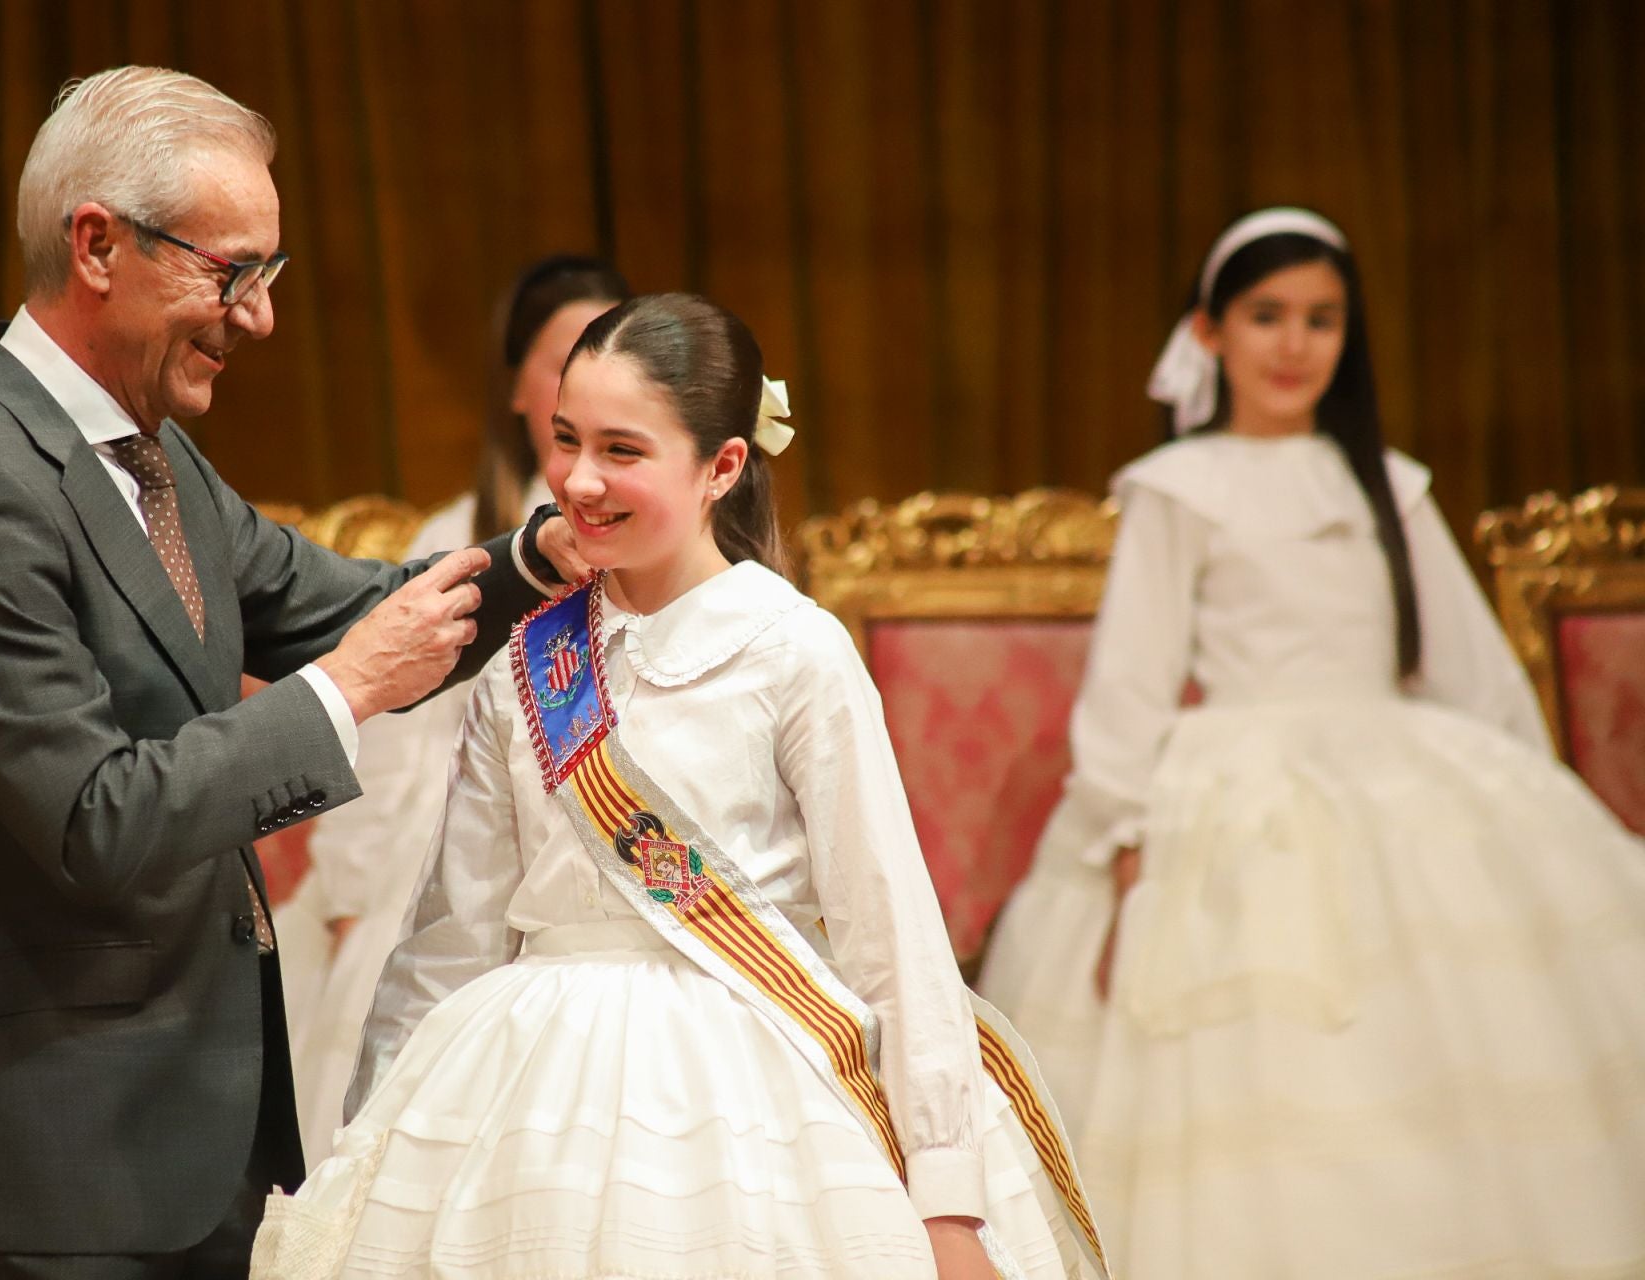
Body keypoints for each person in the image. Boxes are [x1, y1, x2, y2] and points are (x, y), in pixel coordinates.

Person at [0, 66, 576, 1277]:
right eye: (231, 273)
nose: (259, 317)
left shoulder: (154, 454)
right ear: (97, 245)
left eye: (268, 276)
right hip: (63, 1173)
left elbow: (343, 599)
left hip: (205, 1147)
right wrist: (346, 690)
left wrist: (545, 554)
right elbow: (97, 816)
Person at [252, 294, 1110, 1280]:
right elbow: (455, 929)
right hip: (528, 1095)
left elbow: (888, 928)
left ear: (723, 466)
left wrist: (949, 1199)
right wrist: (374, 1149)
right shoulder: (531, 652)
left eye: (623, 449)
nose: (579, 479)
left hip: (752, 1085)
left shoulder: (791, 649)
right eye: (566, 439)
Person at [975, 207, 1645, 1278]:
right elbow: (1132, 683)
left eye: (1322, 319)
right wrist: (1123, 829)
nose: (1295, 344)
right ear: (1211, 332)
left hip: (1399, 771)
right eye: (1268, 315)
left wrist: (1524, 802)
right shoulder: (1179, 488)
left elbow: (1471, 667)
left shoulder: (1391, 480)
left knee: (1462, 1032)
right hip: (1240, 783)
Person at [284, 254, 630, 1164]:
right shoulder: (457, 542)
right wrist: (355, 899)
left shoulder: (655, 548)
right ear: (520, 387)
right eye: (566, 359)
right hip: (455, 851)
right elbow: (392, 739)